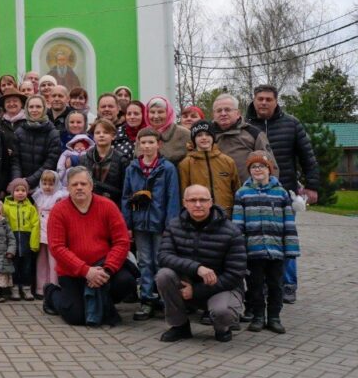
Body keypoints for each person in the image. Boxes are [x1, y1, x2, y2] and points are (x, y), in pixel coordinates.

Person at [246, 84, 319, 303]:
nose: (264, 103)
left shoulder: (291, 124)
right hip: (253, 193)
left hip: (284, 193)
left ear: (276, 101)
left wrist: (312, 185)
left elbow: (308, 156)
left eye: (268, 99)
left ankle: (288, 285)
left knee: (285, 239)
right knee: (258, 240)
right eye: (260, 99)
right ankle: (263, 285)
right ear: (254, 100)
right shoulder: (246, 126)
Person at [43, 167, 135, 327]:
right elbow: (57, 248)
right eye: (74, 184)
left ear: (91, 186)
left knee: (126, 282)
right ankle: (51, 293)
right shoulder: (58, 211)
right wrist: (86, 271)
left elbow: (122, 241)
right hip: (73, 272)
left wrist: (107, 270)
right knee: (76, 317)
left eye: (83, 184)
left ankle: (100, 303)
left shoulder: (108, 206)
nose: (79, 187)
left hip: (103, 268)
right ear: (68, 188)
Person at [156, 184, 247, 343]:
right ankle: (180, 326)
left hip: (221, 287)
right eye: (192, 200)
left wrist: (196, 290)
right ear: (185, 203)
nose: (198, 204)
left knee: (222, 312)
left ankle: (222, 328)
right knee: (164, 275)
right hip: (187, 283)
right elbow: (163, 256)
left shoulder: (231, 231)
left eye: (203, 200)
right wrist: (197, 268)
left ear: (211, 202)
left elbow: (235, 274)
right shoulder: (174, 226)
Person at [232, 151, 299, 334]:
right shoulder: (242, 193)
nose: (258, 169)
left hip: (276, 250)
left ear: (269, 169)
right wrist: (239, 248)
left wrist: (291, 248)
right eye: (254, 167)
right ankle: (258, 316)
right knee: (255, 285)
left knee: (275, 285)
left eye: (262, 166)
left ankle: (274, 317)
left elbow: (289, 223)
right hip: (253, 251)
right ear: (249, 171)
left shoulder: (281, 193)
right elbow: (238, 224)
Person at [121, 127, 181, 321]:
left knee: (160, 260)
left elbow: (173, 197)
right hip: (140, 223)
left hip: (160, 223)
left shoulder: (167, 168)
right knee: (145, 261)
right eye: (143, 143)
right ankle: (147, 299)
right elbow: (127, 197)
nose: (147, 146)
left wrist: (170, 224)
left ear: (159, 144)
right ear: (138, 145)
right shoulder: (132, 168)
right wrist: (128, 224)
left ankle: (163, 297)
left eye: (151, 142)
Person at [211, 93, 277, 183]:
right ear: (213, 114)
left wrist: (271, 188)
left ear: (238, 113)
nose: (223, 114)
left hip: (249, 189)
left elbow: (271, 165)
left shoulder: (254, 133)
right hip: (218, 189)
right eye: (219, 111)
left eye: (227, 110)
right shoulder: (207, 136)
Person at [178, 121, 240, 210]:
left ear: (213, 137)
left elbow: (236, 189)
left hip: (225, 213)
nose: (204, 138)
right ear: (194, 139)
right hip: (198, 212)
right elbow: (183, 193)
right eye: (199, 135)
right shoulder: (186, 164)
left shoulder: (228, 161)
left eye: (208, 134)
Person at [12, 95, 62, 191]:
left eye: (38, 107)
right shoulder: (19, 132)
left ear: (44, 108)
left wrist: (30, 181)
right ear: (26, 109)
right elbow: (15, 160)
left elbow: (51, 162)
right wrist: (18, 181)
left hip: (44, 186)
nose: (34, 110)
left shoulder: (53, 133)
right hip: (21, 188)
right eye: (31, 107)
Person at [3, 178, 39, 301]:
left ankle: (26, 288)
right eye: (17, 190)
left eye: (23, 190)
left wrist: (34, 244)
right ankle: (14, 289)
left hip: (26, 242)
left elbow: (35, 225)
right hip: (12, 243)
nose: (20, 193)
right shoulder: (6, 207)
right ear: (12, 192)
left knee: (27, 268)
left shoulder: (31, 208)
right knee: (14, 267)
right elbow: (3, 225)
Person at [33, 170, 66, 298]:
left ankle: (54, 287)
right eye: (45, 183)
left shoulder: (59, 197)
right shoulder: (38, 195)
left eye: (51, 184)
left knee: (53, 260)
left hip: (53, 231)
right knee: (41, 260)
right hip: (40, 231)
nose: (47, 187)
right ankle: (41, 288)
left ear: (56, 184)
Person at [81, 119, 128, 204]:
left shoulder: (122, 160)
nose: (101, 135)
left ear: (113, 136)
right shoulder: (84, 159)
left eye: (106, 132)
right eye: (97, 133)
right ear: (93, 136)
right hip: (88, 204)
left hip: (113, 204)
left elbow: (125, 189)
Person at [144, 96, 191, 165]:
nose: (156, 116)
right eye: (152, 112)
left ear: (168, 113)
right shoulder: (142, 134)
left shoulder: (184, 133)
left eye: (160, 112)